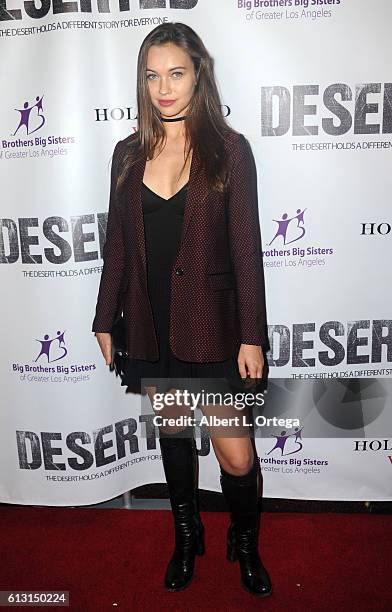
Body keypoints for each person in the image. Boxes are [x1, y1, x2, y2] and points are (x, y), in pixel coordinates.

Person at [92, 22, 272, 597]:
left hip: (214, 327)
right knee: (173, 438)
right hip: (150, 322)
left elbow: (246, 248)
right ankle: (185, 535)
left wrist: (252, 335)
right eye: (152, 75)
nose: (163, 88)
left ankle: (243, 541)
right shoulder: (126, 154)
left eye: (176, 73)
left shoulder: (229, 149)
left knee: (236, 455)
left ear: (199, 74)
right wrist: (103, 317)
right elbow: (116, 244)